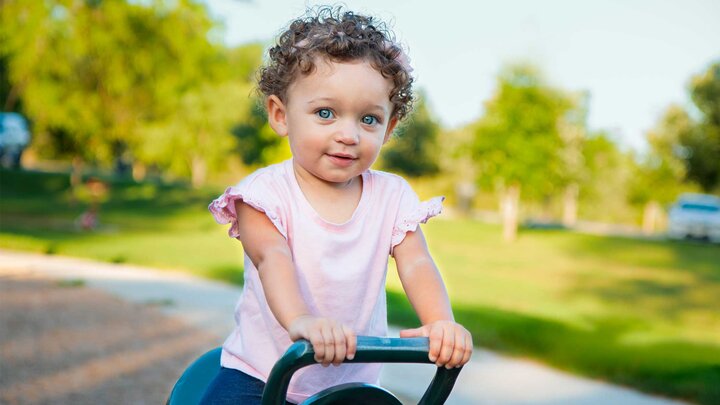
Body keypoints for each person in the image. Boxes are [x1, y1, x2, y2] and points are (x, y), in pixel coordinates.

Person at [204, 6, 472, 404]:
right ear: (281, 115)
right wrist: (302, 321)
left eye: (368, 120)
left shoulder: (392, 196)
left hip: (351, 381)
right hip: (261, 374)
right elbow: (271, 258)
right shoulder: (263, 195)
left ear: (390, 127)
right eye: (325, 113)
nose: (348, 134)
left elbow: (416, 263)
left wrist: (440, 322)